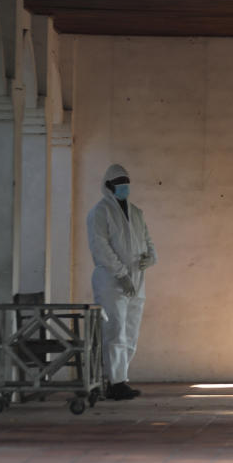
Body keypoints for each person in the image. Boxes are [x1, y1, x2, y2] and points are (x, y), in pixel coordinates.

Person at [87, 164, 157, 400]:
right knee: (115, 329)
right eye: (119, 182)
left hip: (136, 280)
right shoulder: (100, 212)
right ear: (108, 186)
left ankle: (121, 378)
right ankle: (114, 382)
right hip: (111, 281)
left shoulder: (136, 213)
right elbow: (101, 247)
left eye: (126, 181)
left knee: (130, 330)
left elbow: (147, 240)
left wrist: (151, 256)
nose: (124, 186)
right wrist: (120, 273)